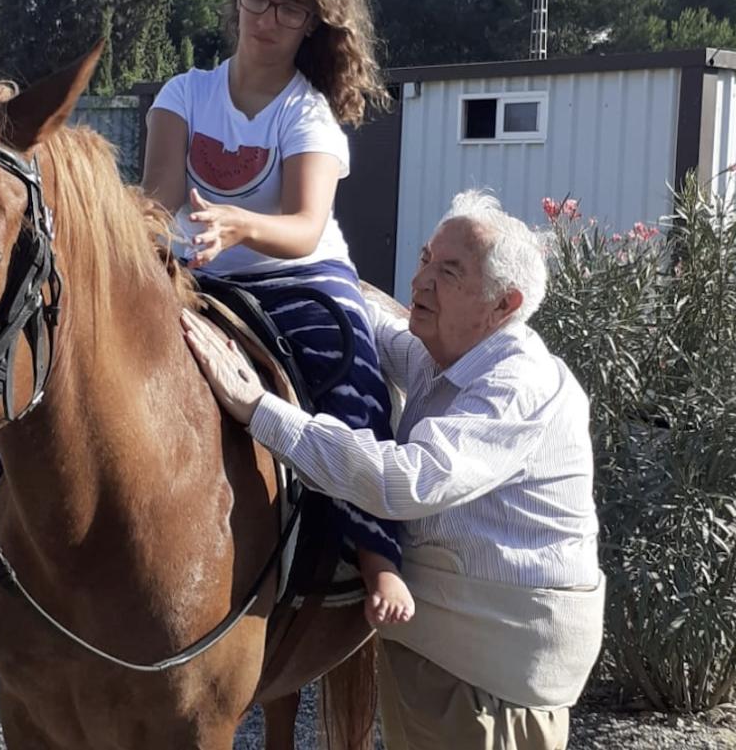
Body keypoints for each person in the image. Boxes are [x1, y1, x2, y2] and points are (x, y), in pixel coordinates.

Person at [181, 190, 605, 750]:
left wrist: (258, 408)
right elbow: (373, 326)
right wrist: (311, 266)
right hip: (449, 663)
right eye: (426, 258)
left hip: (490, 686)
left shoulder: (516, 385)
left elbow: (403, 481)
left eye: (449, 271)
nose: (422, 280)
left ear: (504, 305)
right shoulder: (446, 354)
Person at [141, 0, 412, 628]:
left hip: (300, 277)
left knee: (349, 369)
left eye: (290, 7)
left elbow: (304, 226)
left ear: (313, 25)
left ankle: (377, 550)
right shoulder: (184, 94)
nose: (268, 16)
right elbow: (157, 199)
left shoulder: (309, 113)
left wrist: (236, 223)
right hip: (199, 274)